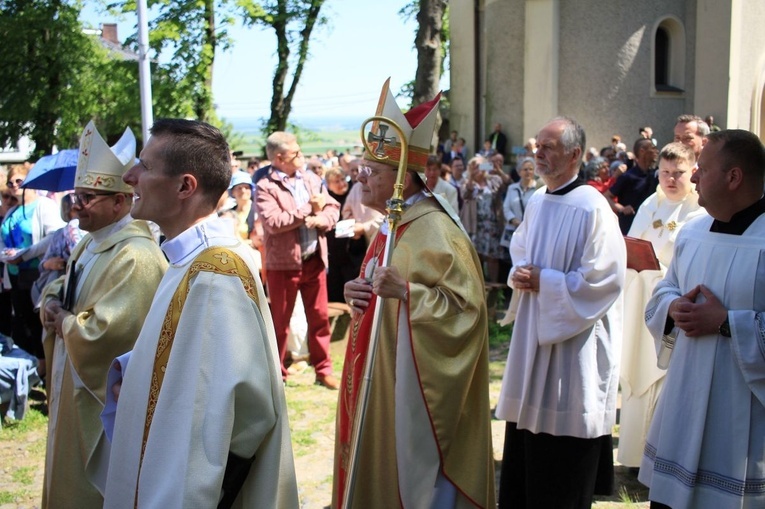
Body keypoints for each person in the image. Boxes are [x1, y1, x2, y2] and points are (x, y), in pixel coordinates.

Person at [103, 118, 298, 508]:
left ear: (185, 186)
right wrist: (136, 370)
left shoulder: (214, 272)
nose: (129, 176)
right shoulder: (192, 257)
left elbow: (217, 423)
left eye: (145, 166)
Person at [334, 79, 495, 508]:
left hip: (412, 393)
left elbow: (468, 313)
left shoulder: (437, 230)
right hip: (377, 372)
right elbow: (377, 283)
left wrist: (406, 293)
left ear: (403, 177)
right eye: (362, 168)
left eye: (371, 171)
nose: (360, 178)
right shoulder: (392, 223)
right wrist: (358, 290)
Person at [496, 116, 626, 508]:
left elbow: (604, 278)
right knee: (528, 444)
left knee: (563, 449)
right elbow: (521, 246)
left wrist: (546, 281)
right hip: (536, 329)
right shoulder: (537, 200)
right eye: (538, 146)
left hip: (574, 344)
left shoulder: (593, 208)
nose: (538, 153)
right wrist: (521, 273)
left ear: (573, 155)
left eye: (548, 147)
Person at [39, 122, 167, 508]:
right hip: (72, 382)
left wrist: (62, 320)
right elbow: (65, 287)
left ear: (119, 201)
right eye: (76, 196)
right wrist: (49, 301)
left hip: (99, 398)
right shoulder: (90, 245)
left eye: (87, 197)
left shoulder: (136, 256)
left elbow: (108, 333)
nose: (76, 207)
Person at [639, 129, 765, 508]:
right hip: (684, 399)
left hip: (744, 418)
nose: (692, 177)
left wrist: (727, 322)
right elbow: (666, 288)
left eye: (703, 169)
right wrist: (673, 307)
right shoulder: (692, 232)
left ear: (734, 177)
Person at [617, 142, 706, 469]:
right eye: (665, 172)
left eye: (678, 173)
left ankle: (660, 461)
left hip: (674, 309)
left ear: (693, 171)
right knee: (636, 378)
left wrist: (661, 275)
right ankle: (633, 457)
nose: (670, 180)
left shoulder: (700, 212)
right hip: (641, 304)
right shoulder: (649, 204)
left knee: (665, 383)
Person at [256, 131, 341, 389]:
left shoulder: (311, 179)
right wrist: (308, 211)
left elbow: (332, 208)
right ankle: (277, 373)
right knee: (280, 323)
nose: (301, 156)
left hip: (313, 260)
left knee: (319, 318)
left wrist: (320, 219)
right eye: (296, 153)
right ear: (280, 157)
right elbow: (273, 222)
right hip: (283, 265)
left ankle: (323, 369)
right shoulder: (265, 187)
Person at [1, 164, 64, 363]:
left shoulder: (44, 206)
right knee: (24, 323)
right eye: (10, 182)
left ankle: (46, 368)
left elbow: (55, 236)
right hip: (15, 275)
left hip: (39, 275)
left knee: (40, 324)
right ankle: (37, 365)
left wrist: (24, 254)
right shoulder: (13, 211)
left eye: (19, 181)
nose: (14, 186)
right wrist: (7, 255)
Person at [604, 137, 660, 233]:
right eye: (653, 148)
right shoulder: (628, 176)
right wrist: (622, 208)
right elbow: (606, 196)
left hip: (650, 228)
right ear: (642, 151)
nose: (657, 151)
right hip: (629, 228)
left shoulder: (656, 175)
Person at [501, 156, 538, 255]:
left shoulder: (538, 189)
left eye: (531, 169)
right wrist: (513, 220)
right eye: (525, 169)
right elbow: (506, 207)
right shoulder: (512, 188)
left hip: (531, 231)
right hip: (514, 229)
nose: (528, 172)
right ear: (519, 172)